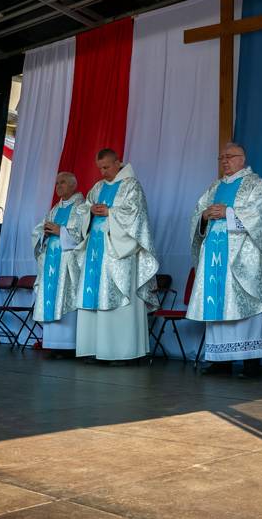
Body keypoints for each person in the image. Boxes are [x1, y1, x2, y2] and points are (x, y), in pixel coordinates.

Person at [188, 143, 262, 379]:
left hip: (242, 257)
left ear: (242, 159)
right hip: (215, 258)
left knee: (245, 303)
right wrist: (205, 215)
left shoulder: (254, 184)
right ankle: (220, 361)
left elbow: (261, 217)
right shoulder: (214, 186)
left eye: (229, 157)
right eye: (222, 157)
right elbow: (198, 214)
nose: (225, 161)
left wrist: (227, 213)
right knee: (218, 305)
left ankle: (251, 364)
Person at [75, 149, 159, 365]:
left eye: (107, 167)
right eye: (100, 168)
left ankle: (121, 352)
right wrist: (90, 211)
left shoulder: (131, 185)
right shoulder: (98, 187)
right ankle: (95, 349)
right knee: (94, 299)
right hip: (96, 253)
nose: (103, 172)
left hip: (119, 254)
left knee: (118, 300)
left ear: (117, 163)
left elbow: (136, 216)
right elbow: (83, 210)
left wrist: (110, 212)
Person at [32, 172, 86, 358]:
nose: (59, 186)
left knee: (66, 301)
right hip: (51, 263)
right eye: (56, 183)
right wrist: (45, 235)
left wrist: (61, 231)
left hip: (68, 265)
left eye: (62, 183)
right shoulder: (54, 209)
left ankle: (70, 346)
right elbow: (38, 231)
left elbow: (84, 236)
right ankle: (53, 344)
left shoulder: (81, 208)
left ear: (73, 185)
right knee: (52, 301)